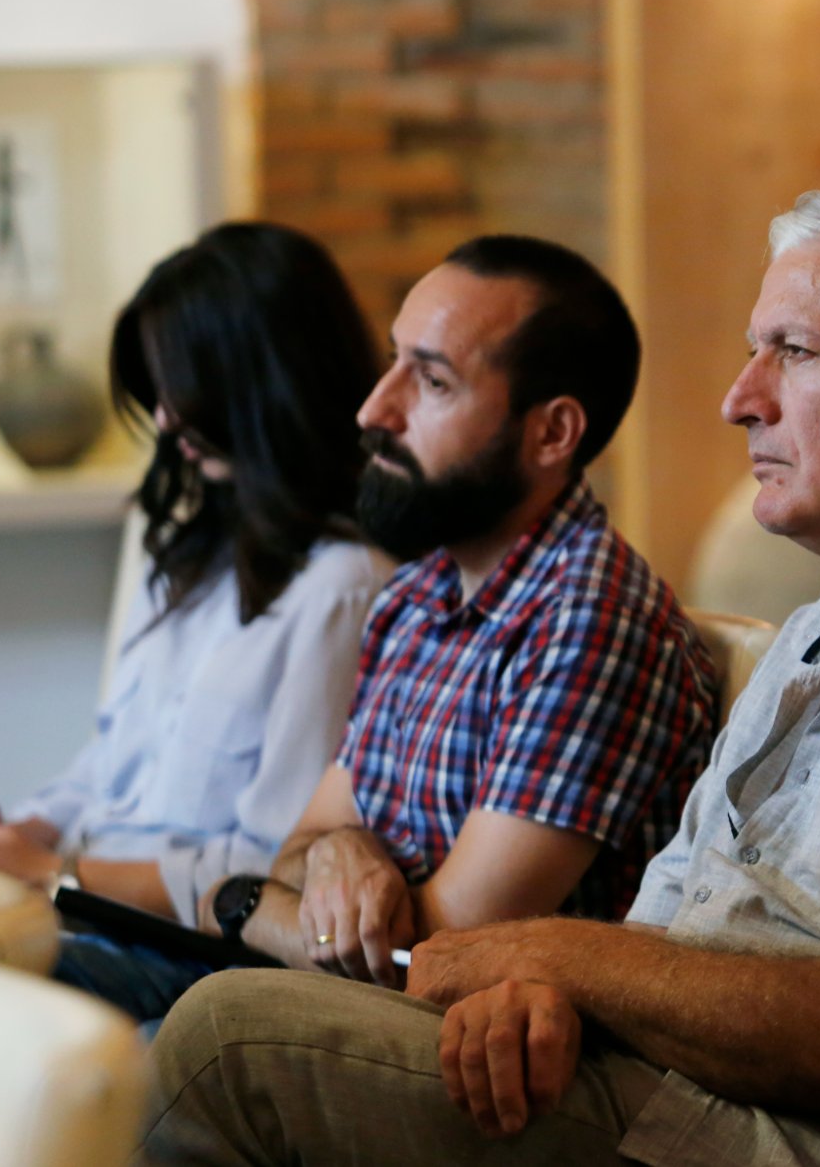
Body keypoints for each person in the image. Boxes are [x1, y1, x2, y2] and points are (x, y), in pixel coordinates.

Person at [137, 177, 820, 1167]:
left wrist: (543, 959)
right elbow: (656, 932)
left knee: (220, 1042)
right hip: (649, 1088)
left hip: (773, 1143)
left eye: (793, 352)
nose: (739, 399)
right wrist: (541, 993)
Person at [211, 235, 717, 990]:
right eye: (394, 361)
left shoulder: (588, 621)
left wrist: (243, 902)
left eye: (433, 382)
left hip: (491, 1048)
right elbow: (301, 849)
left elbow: (438, 961)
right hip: (357, 1007)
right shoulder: (415, 596)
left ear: (552, 433)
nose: (375, 409)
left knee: (191, 1019)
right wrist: (341, 849)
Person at [0, 222, 390, 1020]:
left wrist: (56, 870)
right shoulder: (189, 547)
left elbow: (275, 868)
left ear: (265, 384)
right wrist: (9, 829)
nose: (166, 421)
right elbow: (109, 770)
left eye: (183, 391)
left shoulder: (344, 588)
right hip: (84, 905)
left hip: (186, 953)